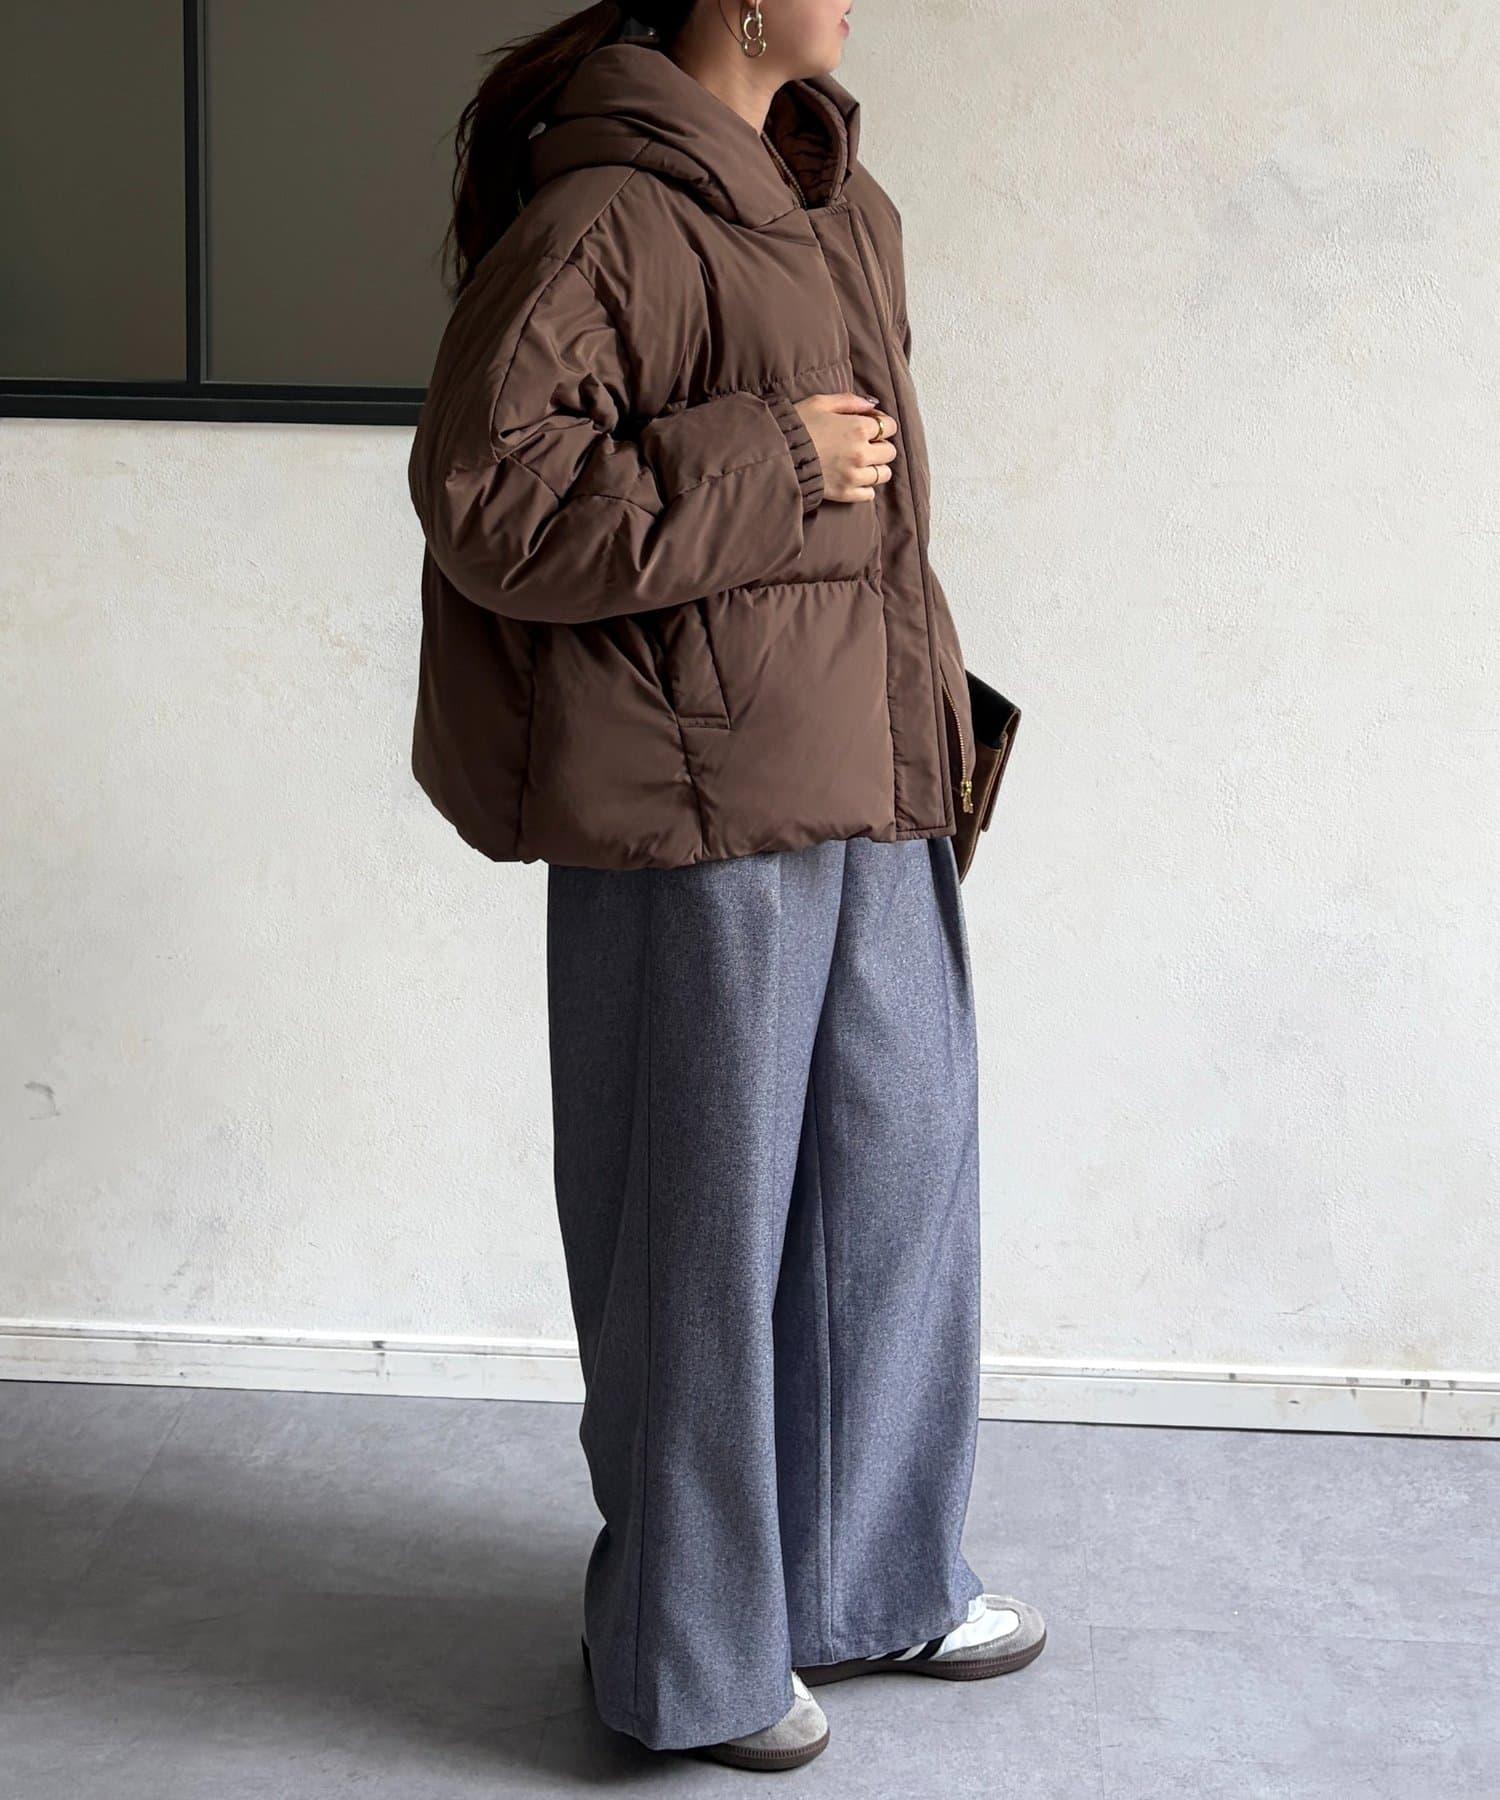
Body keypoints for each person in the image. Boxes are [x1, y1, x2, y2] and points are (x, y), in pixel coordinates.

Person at [406, 0, 1044, 1772]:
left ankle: (868, 1583)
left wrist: (935, 732)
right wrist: (770, 455)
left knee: (896, 1187)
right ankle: (690, 1660)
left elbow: (880, 533)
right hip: (694, 808)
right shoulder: (602, 217)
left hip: (869, 773)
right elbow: (486, 497)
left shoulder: (844, 199)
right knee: (698, 1235)